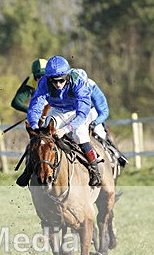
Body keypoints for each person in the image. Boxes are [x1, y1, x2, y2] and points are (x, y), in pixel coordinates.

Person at [20, 55, 103, 187]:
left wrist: (65, 129)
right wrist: (34, 125)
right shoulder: (44, 82)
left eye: (61, 80)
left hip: (77, 112)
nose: (58, 84)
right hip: (57, 110)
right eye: (54, 81)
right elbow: (36, 104)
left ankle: (95, 170)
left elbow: (82, 113)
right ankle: (28, 170)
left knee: (79, 136)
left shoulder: (78, 82)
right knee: (41, 137)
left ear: (67, 76)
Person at [70, 68, 127, 167]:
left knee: (100, 132)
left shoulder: (91, 86)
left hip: (90, 112)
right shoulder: (63, 85)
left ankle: (113, 156)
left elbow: (104, 111)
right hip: (71, 112)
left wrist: (95, 123)